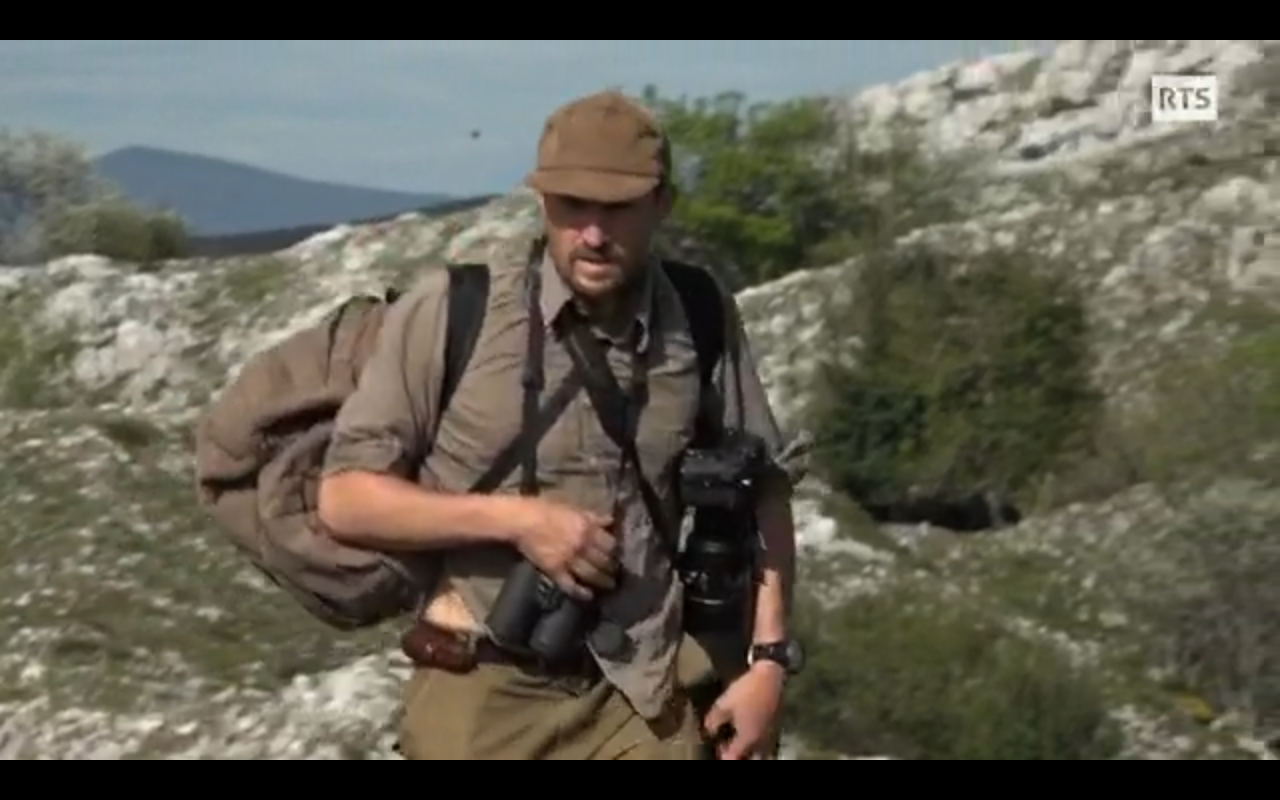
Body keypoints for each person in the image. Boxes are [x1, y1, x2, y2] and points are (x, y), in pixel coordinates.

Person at [316, 90, 803, 761]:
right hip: (482, 691)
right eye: (573, 206)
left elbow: (765, 487)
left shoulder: (698, 313)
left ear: (661, 203)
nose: (594, 234)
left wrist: (767, 663)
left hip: (643, 689)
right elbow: (345, 499)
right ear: (543, 201)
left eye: (617, 209)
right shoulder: (456, 311)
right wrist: (518, 522)